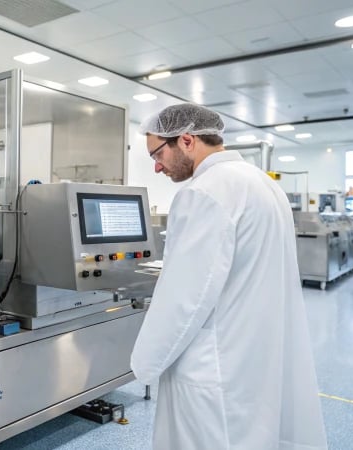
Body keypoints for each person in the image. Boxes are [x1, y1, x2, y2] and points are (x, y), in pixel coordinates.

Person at [130, 103, 327, 449]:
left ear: (187, 140)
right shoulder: (262, 184)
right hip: (256, 353)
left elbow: (186, 297)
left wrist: (144, 362)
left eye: (157, 154)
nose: (157, 166)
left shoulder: (204, 192)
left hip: (214, 365)